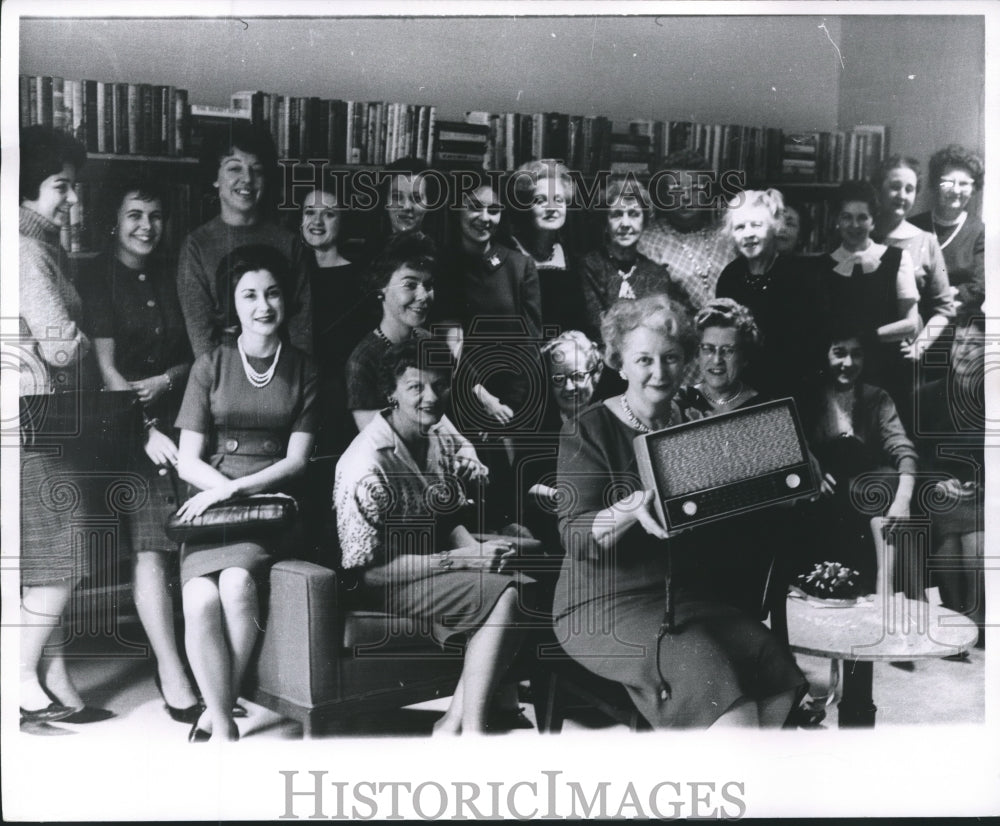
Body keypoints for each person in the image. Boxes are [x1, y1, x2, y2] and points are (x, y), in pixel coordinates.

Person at [553, 295, 805, 728]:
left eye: (671, 358)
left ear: (686, 360)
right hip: (603, 605)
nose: (659, 371)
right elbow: (574, 536)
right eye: (644, 359)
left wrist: (794, 477)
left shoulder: (694, 421)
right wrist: (630, 508)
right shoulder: (589, 427)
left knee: (774, 671)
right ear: (619, 362)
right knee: (726, 696)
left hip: (686, 599)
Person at [334, 339, 531, 734]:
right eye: (415, 388)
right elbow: (364, 573)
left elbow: (445, 519)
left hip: (431, 568)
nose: (430, 398)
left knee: (524, 581)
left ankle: (452, 723)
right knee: (508, 594)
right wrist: (465, 560)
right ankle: (471, 731)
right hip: (384, 581)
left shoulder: (437, 434)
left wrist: (477, 549)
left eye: (440, 386)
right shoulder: (365, 462)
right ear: (391, 392)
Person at [173, 245, 318, 741]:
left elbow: (296, 461)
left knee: (236, 586)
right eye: (250, 295)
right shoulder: (209, 365)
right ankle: (221, 714)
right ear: (231, 305)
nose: (263, 306)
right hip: (211, 506)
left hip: (272, 508)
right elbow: (188, 458)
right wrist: (221, 492)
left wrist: (234, 490)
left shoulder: (304, 367)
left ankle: (218, 721)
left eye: (273, 293)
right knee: (198, 600)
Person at [79, 179, 200, 723]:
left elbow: (198, 355)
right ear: (115, 222)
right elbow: (107, 373)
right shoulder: (97, 276)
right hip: (126, 432)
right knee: (153, 544)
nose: (146, 226)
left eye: (154, 215)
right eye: (134, 216)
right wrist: (146, 428)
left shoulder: (177, 271)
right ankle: (172, 670)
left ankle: (209, 659)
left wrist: (169, 381)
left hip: (188, 420)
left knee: (201, 538)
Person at [18, 125, 112, 731]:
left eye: (74, 187)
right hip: (36, 417)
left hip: (46, 415)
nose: (72, 199)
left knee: (50, 551)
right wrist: (85, 345)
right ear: (29, 187)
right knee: (66, 546)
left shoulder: (43, 244)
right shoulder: (25, 249)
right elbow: (58, 346)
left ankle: (52, 684)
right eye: (60, 186)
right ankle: (17, 671)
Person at [798, 321, 917, 594]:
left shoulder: (877, 397)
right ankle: (904, 590)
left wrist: (903, 499)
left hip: (865, 485)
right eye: (839, 352)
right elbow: (792, 439)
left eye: (857, 354)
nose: (848, 362)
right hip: (827, 493)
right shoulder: (809, 398)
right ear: (825, 355)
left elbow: (902, 448)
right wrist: (810, 467)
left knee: (886, 481)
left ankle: (886, 584)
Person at [176, 121, 312, 358]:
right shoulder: (196, 246)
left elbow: (302, 331)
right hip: (223, 380)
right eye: (234, 168)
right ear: (214, 177)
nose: (247, 179)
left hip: (285, 375)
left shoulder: (289, 242)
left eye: (257, 170)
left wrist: (296, 383)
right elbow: (202, 339)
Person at [913, 312, 985, 641]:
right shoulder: (927, 395)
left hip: (984, 496)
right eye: (959, 342)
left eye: (974, 344)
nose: (963, 350)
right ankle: (961, 623)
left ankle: (975, 621)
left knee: (974, 541)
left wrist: (982, 484)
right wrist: (938, 481)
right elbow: (916, 453)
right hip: (939, 493)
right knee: (953, 533)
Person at [715, 189, 825, 401]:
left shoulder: (801, 277)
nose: (748, 234)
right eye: (739, 227)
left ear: (775, 228)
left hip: (792, 391)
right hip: (740, 390)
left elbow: (811, 348)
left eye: (756, 225)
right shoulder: (730, 276)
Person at [821, 180, 920, 409]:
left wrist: (866, 338)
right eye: (846, 217)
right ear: (837, 220)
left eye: (862, 217)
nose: (854, 225)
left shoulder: (897, 259)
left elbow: (911, 323)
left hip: (886, 370)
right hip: (841, 374)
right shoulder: (823, 266)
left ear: (873, 220)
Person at [579, 176, 694, 343]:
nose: (625, 223)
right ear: (605, 222)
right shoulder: (590, 266)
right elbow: (596, 325)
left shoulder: (656, 273)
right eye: (617, 215)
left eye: (634, 214)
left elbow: (670, 326)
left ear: (644, 221)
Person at [345, 231, 438, 432]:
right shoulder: (363, 360)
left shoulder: (428, 341)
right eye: (410, 285)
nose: (423, 296)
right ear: (381, 288)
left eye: (428, 285)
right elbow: (375, 438)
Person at [871, 156, 955, 360]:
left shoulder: (928, 242)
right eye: (895, 186)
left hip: (902, 355)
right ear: (878, 190)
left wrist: (919, 347)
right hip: (859, 350)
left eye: (909, 189)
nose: (902, 195)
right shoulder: (859, 235)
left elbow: (945, 309)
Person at [637, 149, 734, 308]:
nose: (686, 197)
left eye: (695, 189)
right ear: (663, 195)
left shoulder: (725, 236)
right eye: (676, 189)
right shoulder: (648, 241)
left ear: (707, 193)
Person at [506, 159, 588, 335]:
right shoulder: (508, 255)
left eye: (558, 199)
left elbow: (581, 323)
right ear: (524, 206)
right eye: (540, 200)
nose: (552, 208)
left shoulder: (572, 259)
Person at [910, 145, 985, 315]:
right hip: (917, 317)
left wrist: (949, 296)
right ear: (936, 184)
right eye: (948, 182)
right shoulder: (914, 226)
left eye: (964, 184)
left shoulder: (979, 232)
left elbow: (982, 286)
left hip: (962, 324)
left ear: (974, 189)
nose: (956, 190)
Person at [679, 297, 762, 415]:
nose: (717, 359)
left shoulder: (764, 407)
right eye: (708, 349)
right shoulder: (680, 401)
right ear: (698, 354)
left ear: (744, 358)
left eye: (728, 350)